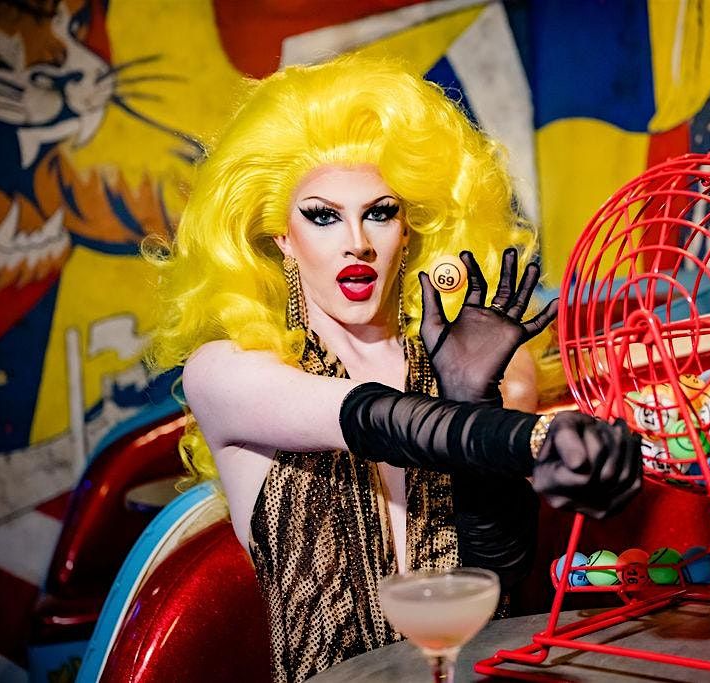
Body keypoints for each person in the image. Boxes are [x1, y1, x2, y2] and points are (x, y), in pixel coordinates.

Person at [147, 54, 642, 680]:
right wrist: (532, 438)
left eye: (380, 212)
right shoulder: (227, 374)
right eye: (323, 216)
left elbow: (498, 579)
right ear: (282, 239)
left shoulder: (466, 362)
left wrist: (476, 403)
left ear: (408, 231)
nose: (357, 242)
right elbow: (376, 418)